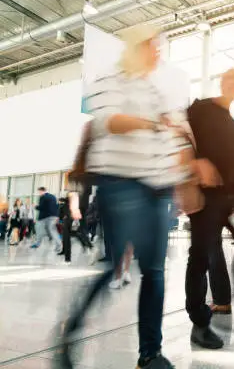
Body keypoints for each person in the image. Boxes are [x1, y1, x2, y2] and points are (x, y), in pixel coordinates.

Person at [56, 24, 191, 369]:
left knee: (155, 271)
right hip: (121, 182)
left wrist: (179, 179)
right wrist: (154, 124)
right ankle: (71, 330)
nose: (157, 52)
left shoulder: (154, 91)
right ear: (135, 48)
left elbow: (166, 140)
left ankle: (150, 355)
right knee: (114, 264)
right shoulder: (109, 79)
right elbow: (111, 122)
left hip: (155, 187)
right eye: (151, 46)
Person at [185, 68, 234, 347]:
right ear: (221, 82)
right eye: (228, 80)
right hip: (207, 197)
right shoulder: (203, 109)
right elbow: (183, 135)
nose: (232, 85)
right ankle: (200, 322)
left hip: (230, 197)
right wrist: (194, 165)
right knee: (201, 256)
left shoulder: (232, 123)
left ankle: (224, 297)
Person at [31, 187, 61, 251]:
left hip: (44, 217)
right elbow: (57, 206)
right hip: (54, 216)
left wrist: (35, 206)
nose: (39, 193)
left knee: (38, 228)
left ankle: (37, 243)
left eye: (39, 192)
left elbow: (41, 207)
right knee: (53, 231)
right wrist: (57, 216)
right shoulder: (53, 196)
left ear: (41, 191)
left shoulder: (42, 197)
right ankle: (58, 245)